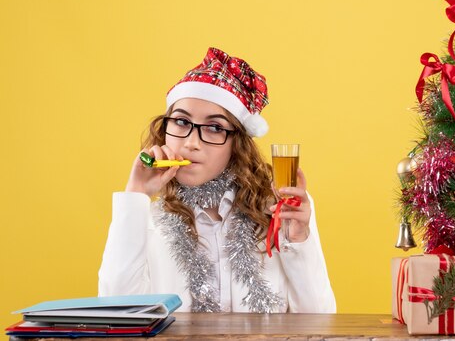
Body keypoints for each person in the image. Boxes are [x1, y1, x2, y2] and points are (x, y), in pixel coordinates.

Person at [98, 47, 336, 313]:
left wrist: (299, 239)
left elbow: (320, 320)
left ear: (237, 144)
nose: (191, 143)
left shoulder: (279, 210)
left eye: (214, 128)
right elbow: (117, 313)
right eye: (181, 122)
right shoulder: (146, 217)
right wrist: (135, 195)